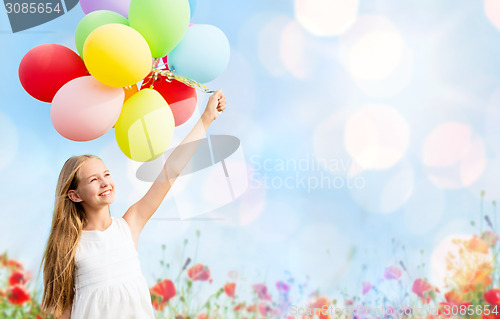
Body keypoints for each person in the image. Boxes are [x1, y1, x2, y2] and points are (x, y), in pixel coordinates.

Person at [39, 90, 227, 319]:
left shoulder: (129, 225)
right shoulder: (69, 244)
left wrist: (206, 118)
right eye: (93, 179)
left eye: (106, 174)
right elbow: (63, 312)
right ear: (75, 195)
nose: (104, 183)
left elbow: (172, 170)